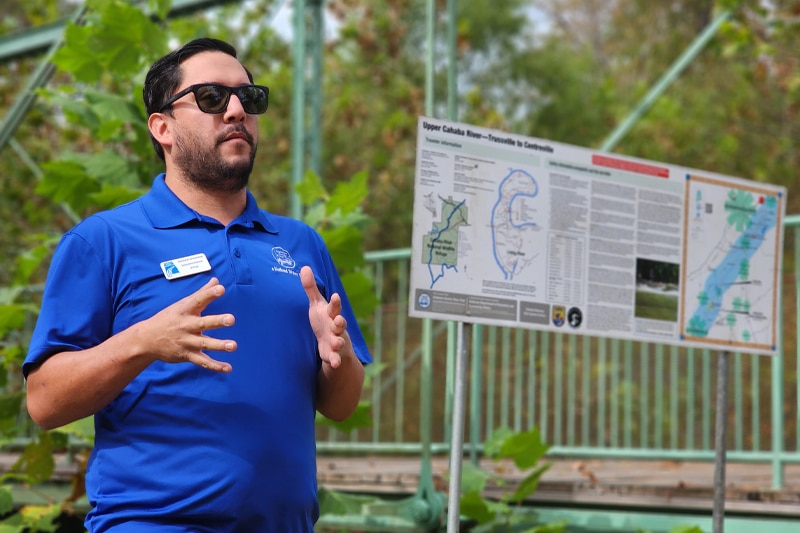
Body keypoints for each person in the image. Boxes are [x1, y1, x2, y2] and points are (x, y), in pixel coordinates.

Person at [23, 37, 371, 532]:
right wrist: (142, 342)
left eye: (249, 99)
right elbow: (42, 402)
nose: (235, 111)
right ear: (161, 127)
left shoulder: (301, 245)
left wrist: (339, 356)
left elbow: (341, 405)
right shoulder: (103, 241)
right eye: (211, 98)